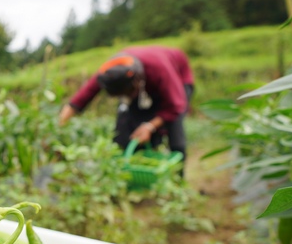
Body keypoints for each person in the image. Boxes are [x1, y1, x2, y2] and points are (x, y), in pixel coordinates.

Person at [58, 45, 195, 170]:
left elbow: (175, 106)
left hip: (177, 81)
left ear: (136, 83)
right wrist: (58, 131)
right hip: (142, 84)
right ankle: (135, 170)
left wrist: (150, 126)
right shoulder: (109, 73)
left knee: (174, 132)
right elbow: (78, 101)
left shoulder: (158, 69)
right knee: (125, 131)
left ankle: (178, 176)